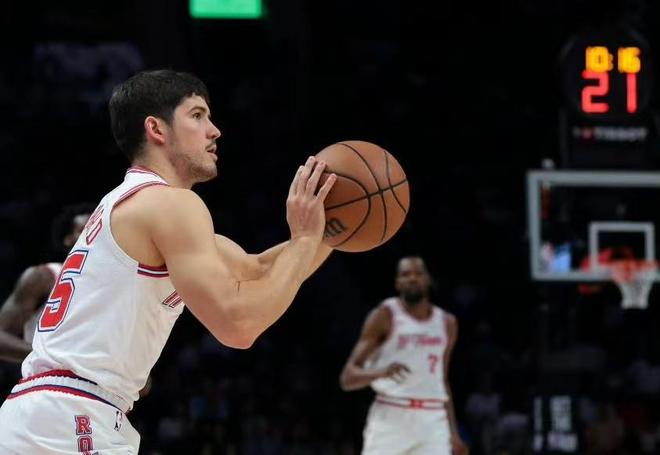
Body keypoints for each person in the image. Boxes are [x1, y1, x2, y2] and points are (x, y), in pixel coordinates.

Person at [0, 69, 337, 453]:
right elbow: (239, 325)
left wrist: (331, 233)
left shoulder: (138, 204)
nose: (214, 131)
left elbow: (259, 270)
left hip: (53, 414)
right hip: (70, 417)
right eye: (197, 115)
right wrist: (306, 239)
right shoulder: (169, 204)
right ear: (156, 129)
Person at [340, 256, 469, 455]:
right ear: (397, 283)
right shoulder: (384, 315)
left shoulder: (447, 323)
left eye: (418, 273)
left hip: (433, 419)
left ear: (428, 279)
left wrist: (453, 433)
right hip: (391, 414)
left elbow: (441, 380)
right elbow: (348, 378)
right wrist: (381, 372)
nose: (412, 278)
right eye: (406, 274)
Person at [0, 203, 92, 362]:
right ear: (68, 239)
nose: (93, 236)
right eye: (85, 230)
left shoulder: (115, 282)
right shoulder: (44, 276)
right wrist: (49, 357)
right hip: (48, 374)